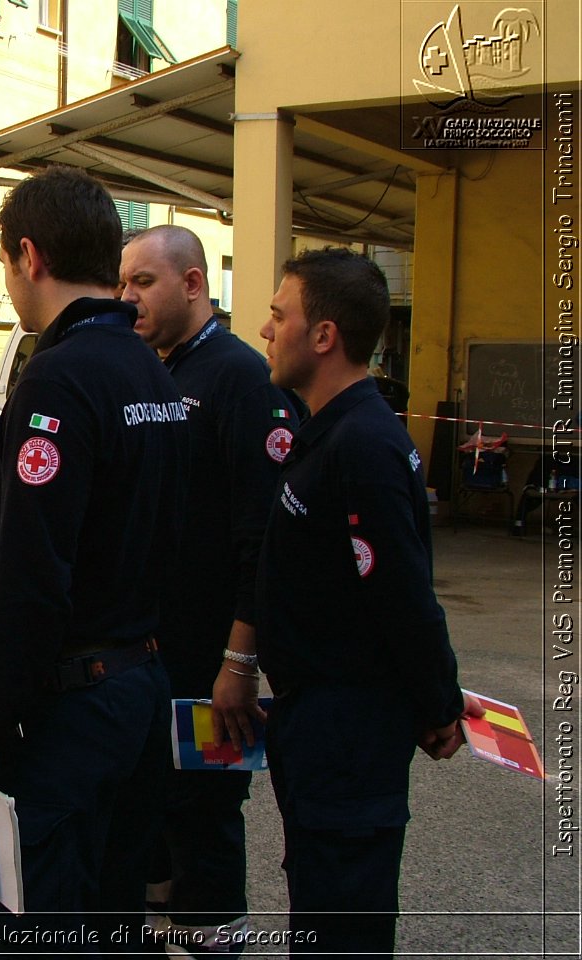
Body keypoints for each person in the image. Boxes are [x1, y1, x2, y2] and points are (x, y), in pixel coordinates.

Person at [0, 167, 188, 948]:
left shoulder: (60, 376)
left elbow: (31, 576)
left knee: (38, 923)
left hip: (73, 708)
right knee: (113, 918)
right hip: (136, 688)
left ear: (28, 257)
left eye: (6, 264)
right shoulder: (149, 366)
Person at [256, 247, 482, 958]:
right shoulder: (327, 428)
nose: (266, 330)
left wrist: (438, 702)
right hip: (315, 722)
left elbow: (403, 595)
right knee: (320, 903)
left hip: (349, 731)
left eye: (277, 314)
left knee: (342, 924)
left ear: (323, 335)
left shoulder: (364, 443)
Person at [119, 225, 299, 954]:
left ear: (193, 284)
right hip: (151, 652)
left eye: (144, 282)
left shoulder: (237, 378)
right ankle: (168, 932)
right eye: (122, 282)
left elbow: (263, 538)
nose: (127, 297)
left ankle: (214, 941)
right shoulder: (151, 370)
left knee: (207, 814)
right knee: (156, 811)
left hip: (210, 660)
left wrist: (240, 661)